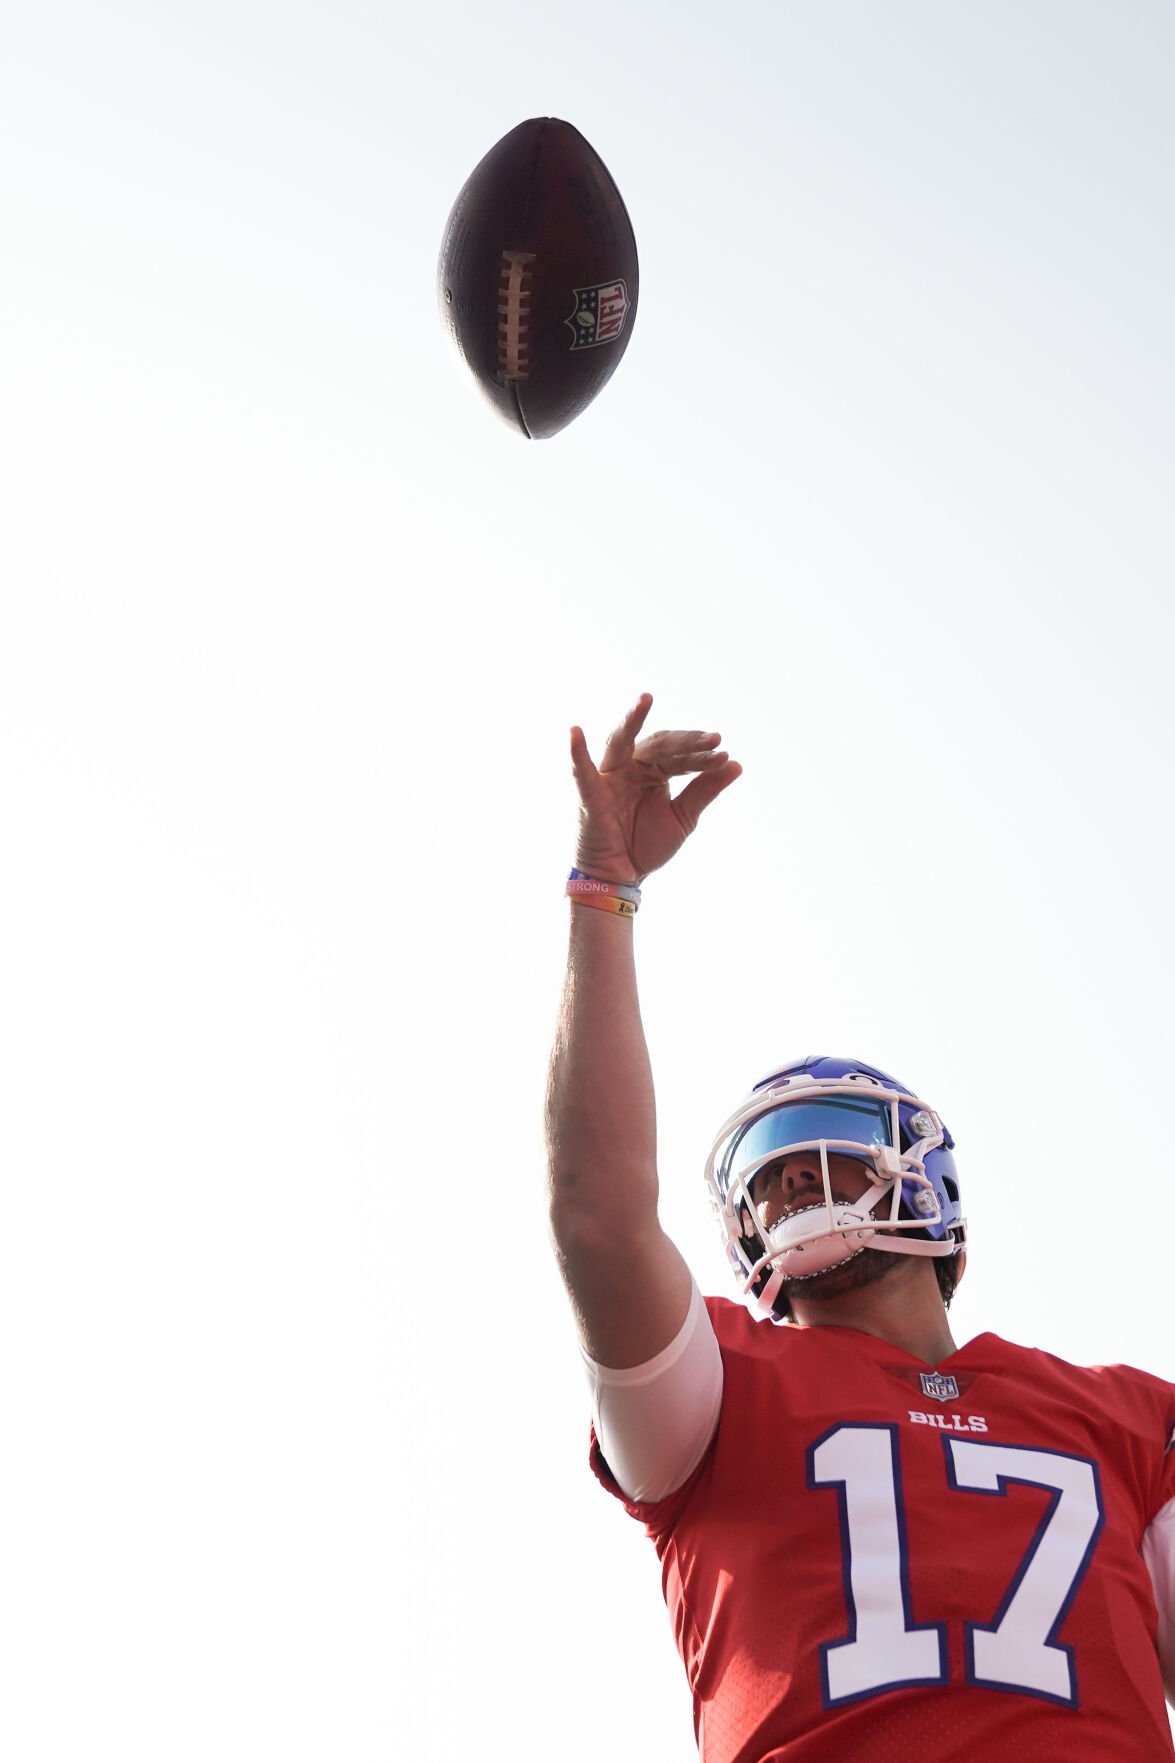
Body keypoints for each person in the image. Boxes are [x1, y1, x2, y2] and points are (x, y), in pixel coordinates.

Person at [546, 693, 1175, 1762]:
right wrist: (602, 892)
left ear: (924, 1181)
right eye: (769, 1176)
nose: (790, 1186)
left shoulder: (1118, 1417)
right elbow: (598, 1221)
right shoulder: (717, 1390)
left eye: (817, 1150)